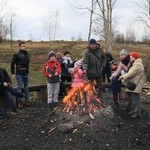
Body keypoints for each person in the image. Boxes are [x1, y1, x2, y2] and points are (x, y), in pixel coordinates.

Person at [119, 52, 145, 118]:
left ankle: (137, 113)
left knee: (135, 99)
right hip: (133, 83)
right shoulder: (134, 63)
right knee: (132, 98)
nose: (130, 59)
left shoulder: (138, 65)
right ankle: (134, 111)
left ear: (134, 57)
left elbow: (131, 73)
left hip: (136, 84)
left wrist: (123, 77)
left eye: (131, 57)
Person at [11, 41, 30, 107]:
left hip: (26, 73)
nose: (24, 47)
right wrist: (13, 73)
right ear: (19, 47)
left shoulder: (27, 54)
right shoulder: (16, 55)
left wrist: (27, 71)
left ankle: (27, 101)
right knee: (20, 87)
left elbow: (27, 64)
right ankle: (20, 102)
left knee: (26, 87)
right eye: (23, 46)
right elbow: (12, 64)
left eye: (25, 46)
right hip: (19, 74)